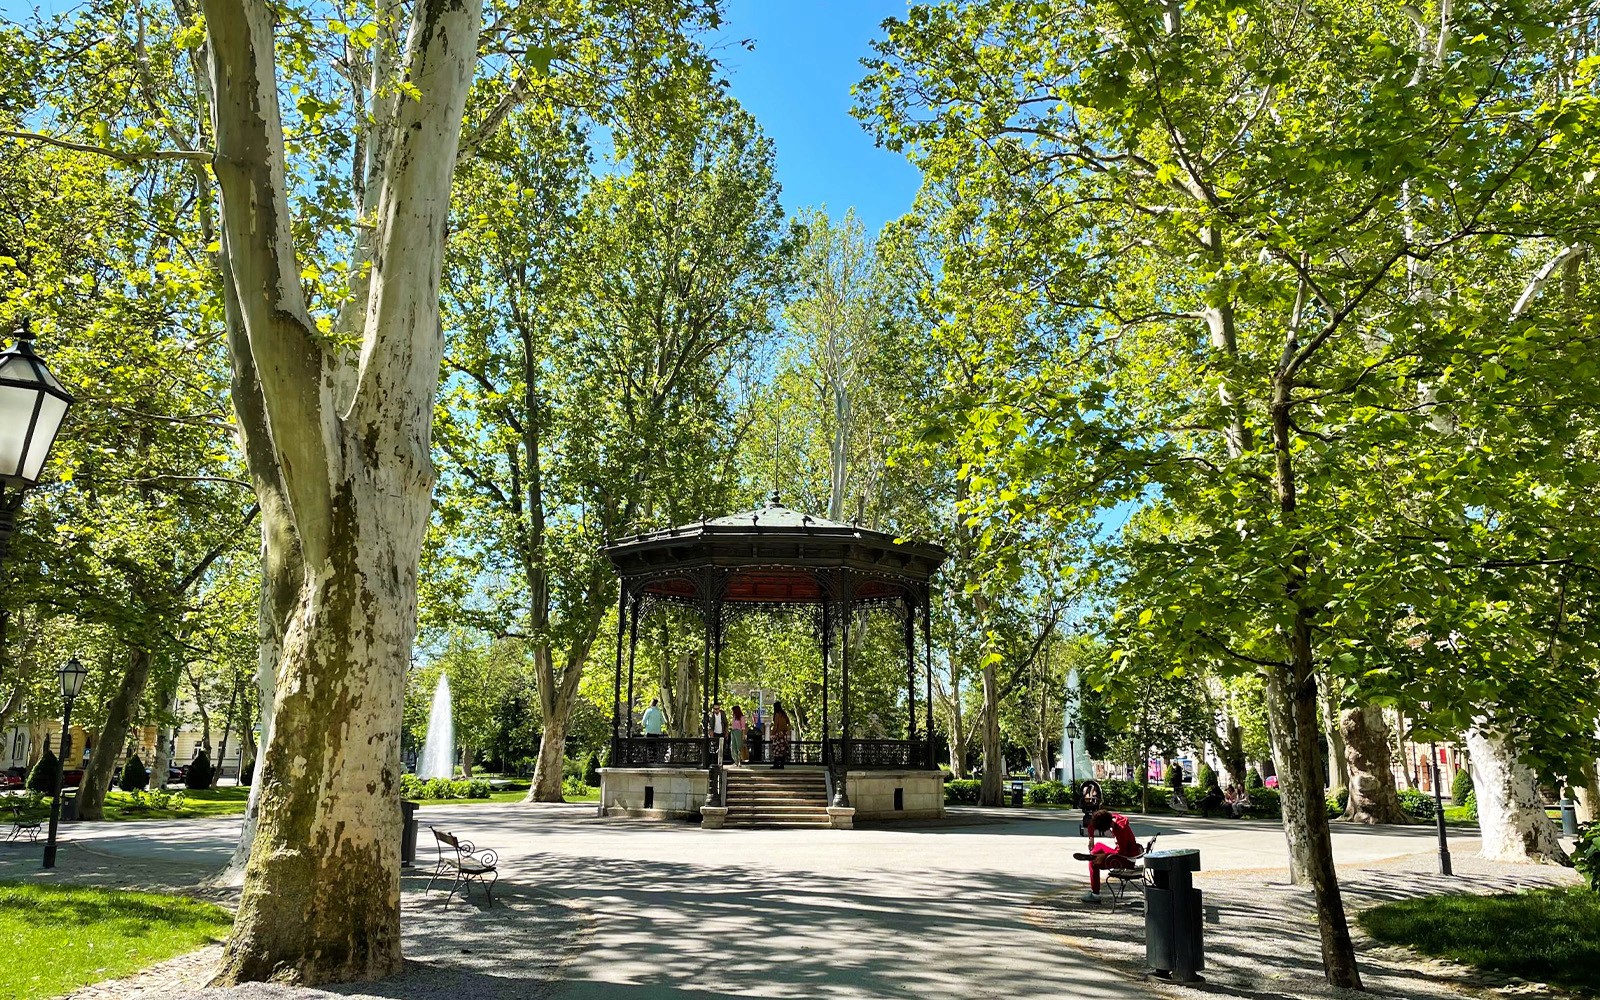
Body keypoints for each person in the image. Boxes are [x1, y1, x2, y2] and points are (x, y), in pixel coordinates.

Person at [1074, 808, 1143, 904]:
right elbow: (1091, 825)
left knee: (1093, 864)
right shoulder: (1113, 818)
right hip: (1123, 853)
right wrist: (1091, 838)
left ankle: (1095, 895)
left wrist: (1104, 856)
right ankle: (1094, 855)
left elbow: (1121, 853)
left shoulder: (1121, 830)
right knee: (1098, 846)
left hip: (1126, 860)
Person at [769, 701, 792, 769]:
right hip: (783, 734)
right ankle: (782, 764)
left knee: (776, 750)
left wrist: (772, 733)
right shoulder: (784, 714)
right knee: (782, 750)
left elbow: (776, 725)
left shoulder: (777, 714)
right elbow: (788, 722)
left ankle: (776, 764)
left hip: (778, 734)